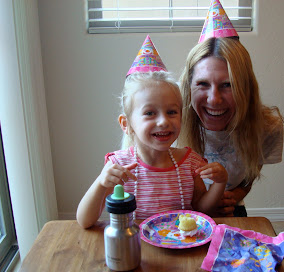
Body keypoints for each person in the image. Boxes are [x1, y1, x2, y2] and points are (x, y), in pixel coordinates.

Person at [76, 70, 228, 228]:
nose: (163, 121)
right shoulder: (119, 167)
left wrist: (220, 183)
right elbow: (85, 221)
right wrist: (101, 183)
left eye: (171, 112)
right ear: (126, 124)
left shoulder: (189, 163)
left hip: (180, 248)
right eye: (150, 113)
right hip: (136, 247)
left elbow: (203, 210)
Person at [178, 37, 284, 218]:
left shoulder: (267, 128)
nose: (214, 99)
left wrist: (233, 196)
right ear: (189, 86)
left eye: (228, 85)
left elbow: (248, 177)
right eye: (203, 84)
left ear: (246, 88)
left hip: (228, 210)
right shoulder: (169, 124)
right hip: (177, 211)